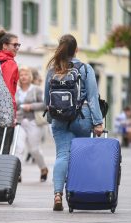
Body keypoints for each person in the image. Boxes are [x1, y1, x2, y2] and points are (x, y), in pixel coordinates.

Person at [44, 34, 103, 211]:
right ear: (76, 49)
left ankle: (57, 194)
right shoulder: (85, 69)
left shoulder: (53, 70)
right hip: (82, 118)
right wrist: (98, 122)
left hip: (59, 118)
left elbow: (47, 98)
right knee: (80, 156)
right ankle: (79, 191)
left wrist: (50, 119)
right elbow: (93, 97)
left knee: (62, 155)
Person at [15, 66, 48, 182]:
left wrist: (31, 107)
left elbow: (44, 104)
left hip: (34, 122)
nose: (23, 77)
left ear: (30, 77)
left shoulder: (36, 90)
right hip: (19, 123)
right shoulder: (16, 90)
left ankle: (43, 168)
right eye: (21, 75)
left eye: (26, 75)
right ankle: (17, 173)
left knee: (34, 150)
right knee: (19, 148)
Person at [0, 29, 20, 154]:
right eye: (15, 45)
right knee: (3, 148)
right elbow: (6, 92)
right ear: (5, 46)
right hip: (4, 112)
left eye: (18, 45)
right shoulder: (10, 63)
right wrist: (12, 114)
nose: (17, 47)